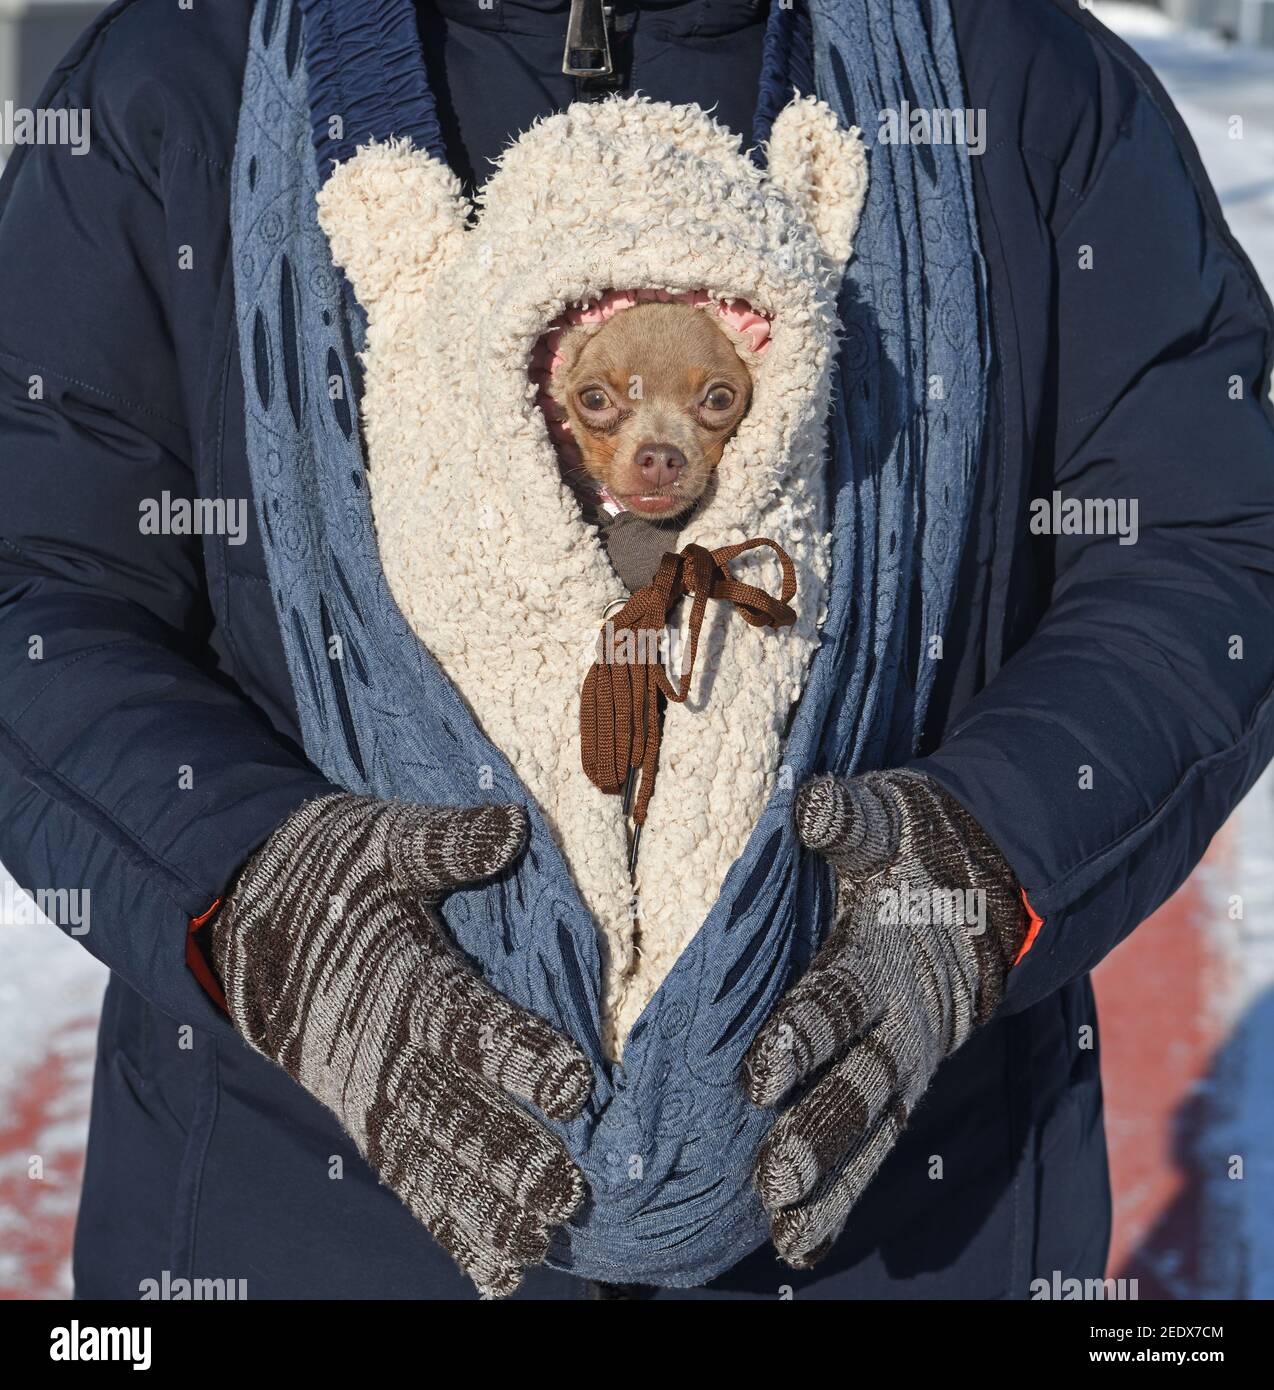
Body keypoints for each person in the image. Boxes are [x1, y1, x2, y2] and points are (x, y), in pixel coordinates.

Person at [1, 0, 1272, 1301]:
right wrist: (252, 891)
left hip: (899, 1225)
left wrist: (987, 857)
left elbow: (1202, 541)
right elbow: (35, 583)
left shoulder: (1016, 74)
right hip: (292, 1222)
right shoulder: (179, 80)